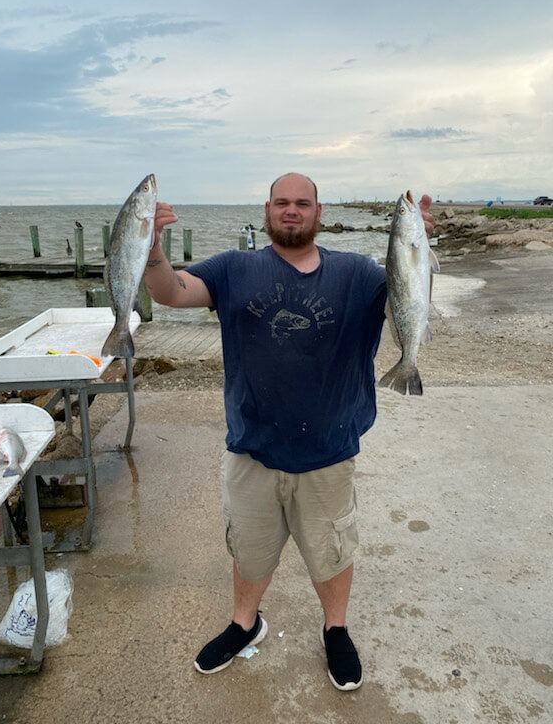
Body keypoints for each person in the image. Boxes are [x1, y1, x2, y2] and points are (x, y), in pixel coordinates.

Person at [144, 173, 435, 691]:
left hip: (328, 451)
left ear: (319, 212)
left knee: (331, 552)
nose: (292, 211)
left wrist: (415, 250)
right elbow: (171, 292)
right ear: (267, 210)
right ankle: (244, 623)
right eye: (283, 203)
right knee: (250, 551)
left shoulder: (358, 273)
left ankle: (336, 628)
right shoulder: (235, 267)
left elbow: (404, 302)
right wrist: (149, 252)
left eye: (303, 203)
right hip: (252, 450)